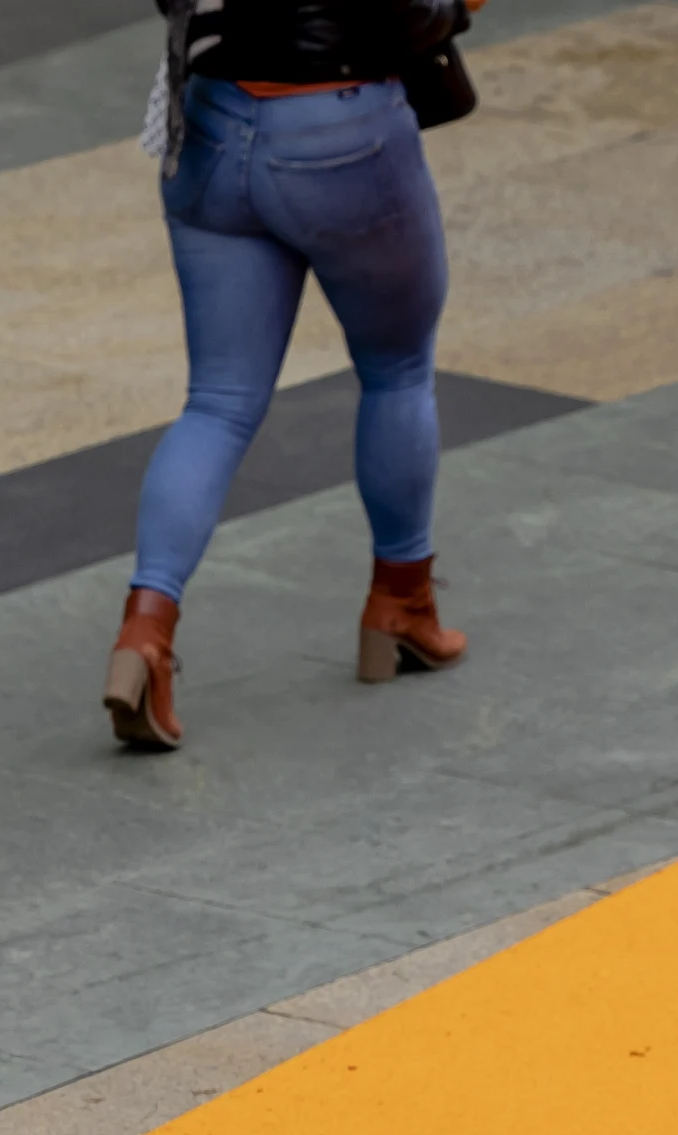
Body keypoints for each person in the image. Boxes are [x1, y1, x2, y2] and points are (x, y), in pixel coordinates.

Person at [106, 0, 473, 751]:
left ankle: (144, 633)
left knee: (216, 403)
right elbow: (409, 16)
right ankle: (402, 604)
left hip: (213, 126)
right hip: (343, 135)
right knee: (398, 370)